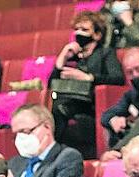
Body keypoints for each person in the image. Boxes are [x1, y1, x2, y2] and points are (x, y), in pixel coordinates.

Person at [50, 11, 125, 159]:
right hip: (70, 101)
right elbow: (51, 84)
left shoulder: (105, 53)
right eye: (76, 29)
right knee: (54, 107)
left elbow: (117, 78)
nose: (79, 33)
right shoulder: (74, 57)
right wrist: (63, 56)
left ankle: (52, 153)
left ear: (97, 35)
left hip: (91, 103)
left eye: (84, 30)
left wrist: (88, 77)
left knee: (59, 109)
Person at [8, 104, 84, 177]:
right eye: (16, 134)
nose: (20, 138)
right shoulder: (15, 162)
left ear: (47, 127)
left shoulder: (68, 157)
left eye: (25, 131)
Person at [101, 48, 139, 150]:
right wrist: (114, 120)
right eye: (130, 72)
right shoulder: (132, 94)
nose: (135, 75)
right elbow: (106, 116)